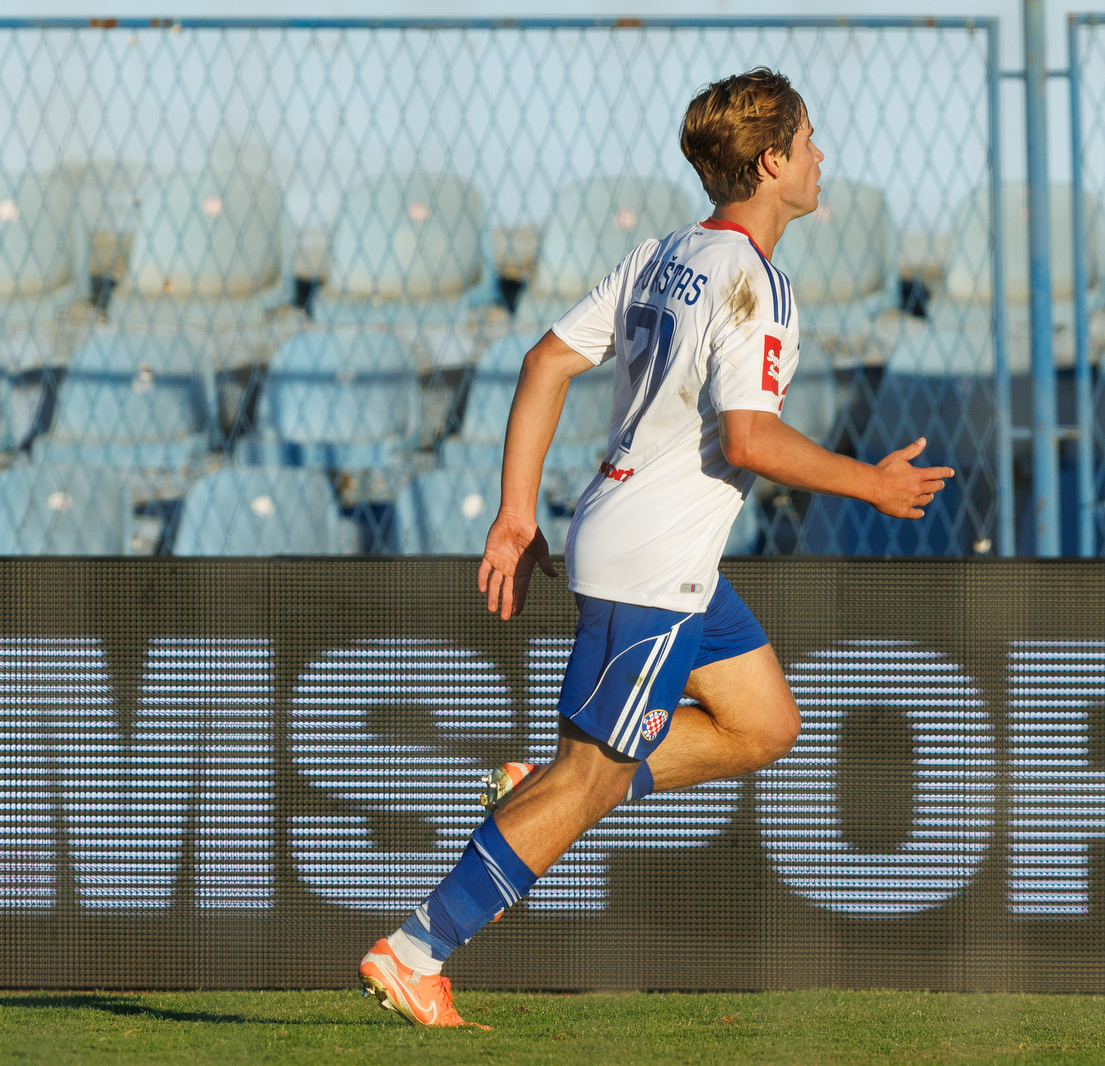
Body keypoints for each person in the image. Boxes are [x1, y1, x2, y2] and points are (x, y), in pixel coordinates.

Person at [358, 67, 952, 1028]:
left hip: (655, 546)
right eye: (808, 141)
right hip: (653, 560)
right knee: (590, 780)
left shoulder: (664, 252)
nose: (821, 156)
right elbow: (752, 438)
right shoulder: (755, 284)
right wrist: (871, 483)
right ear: (771, 162)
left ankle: (541, 785)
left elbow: (545, 360)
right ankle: (416, 949)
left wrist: (519, 511)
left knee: (764, 725)